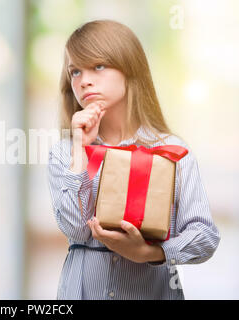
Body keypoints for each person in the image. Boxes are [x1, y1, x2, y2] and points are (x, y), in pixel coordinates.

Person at [47, 19, 221, 300]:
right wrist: (81, 149)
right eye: (75, 71)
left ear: (129, 68)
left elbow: (205, 237)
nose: (84, 80)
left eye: (98, 66)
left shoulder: (173, 151)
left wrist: (151, 253)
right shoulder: (65, 152)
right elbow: (76, 230)